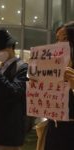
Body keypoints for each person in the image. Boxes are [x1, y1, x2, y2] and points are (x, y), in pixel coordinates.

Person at [44, 21, 74, 150]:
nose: (59, 44)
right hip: (54, 127)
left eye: (65, 38)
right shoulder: (54, 66)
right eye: (57, 39)